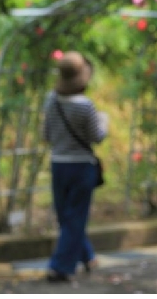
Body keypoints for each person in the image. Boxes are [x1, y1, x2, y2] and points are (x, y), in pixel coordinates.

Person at [42, 51, 108, 283]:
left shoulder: (51, 100)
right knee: (75, 217)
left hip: (58, 164)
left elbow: (46, 134)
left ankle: (87, 256)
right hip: (81, 167)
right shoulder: (86, 105)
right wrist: (104, 122)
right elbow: (97, 136)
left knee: (66, 217)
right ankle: (60, 267)